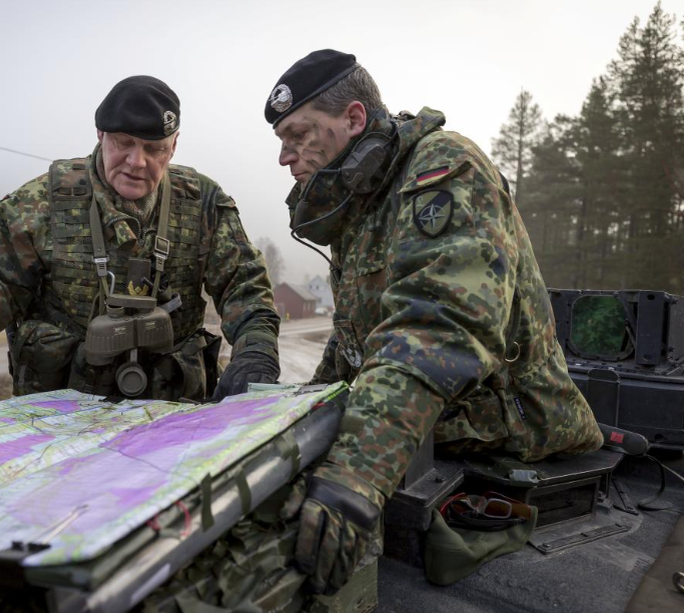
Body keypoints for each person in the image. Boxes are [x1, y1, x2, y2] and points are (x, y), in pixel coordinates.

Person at [142, 50, 604, 612]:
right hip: (435, 438)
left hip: (517, 437)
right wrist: (282, 421)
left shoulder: (444, 167)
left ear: (354, 120)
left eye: (298, 134)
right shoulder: (361, 211)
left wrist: (354, 477)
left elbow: (433, 329)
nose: (285, 155)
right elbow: (351, 346)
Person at [0, 76, 280, 402]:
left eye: (155, 149)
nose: (137, 161)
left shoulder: (202, 204)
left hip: (173, 415)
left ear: (174, 146)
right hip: (59, 415)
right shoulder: (39, 205)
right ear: (101, 135)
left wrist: (256, 351)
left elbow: (243, 286)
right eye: (124, 143)